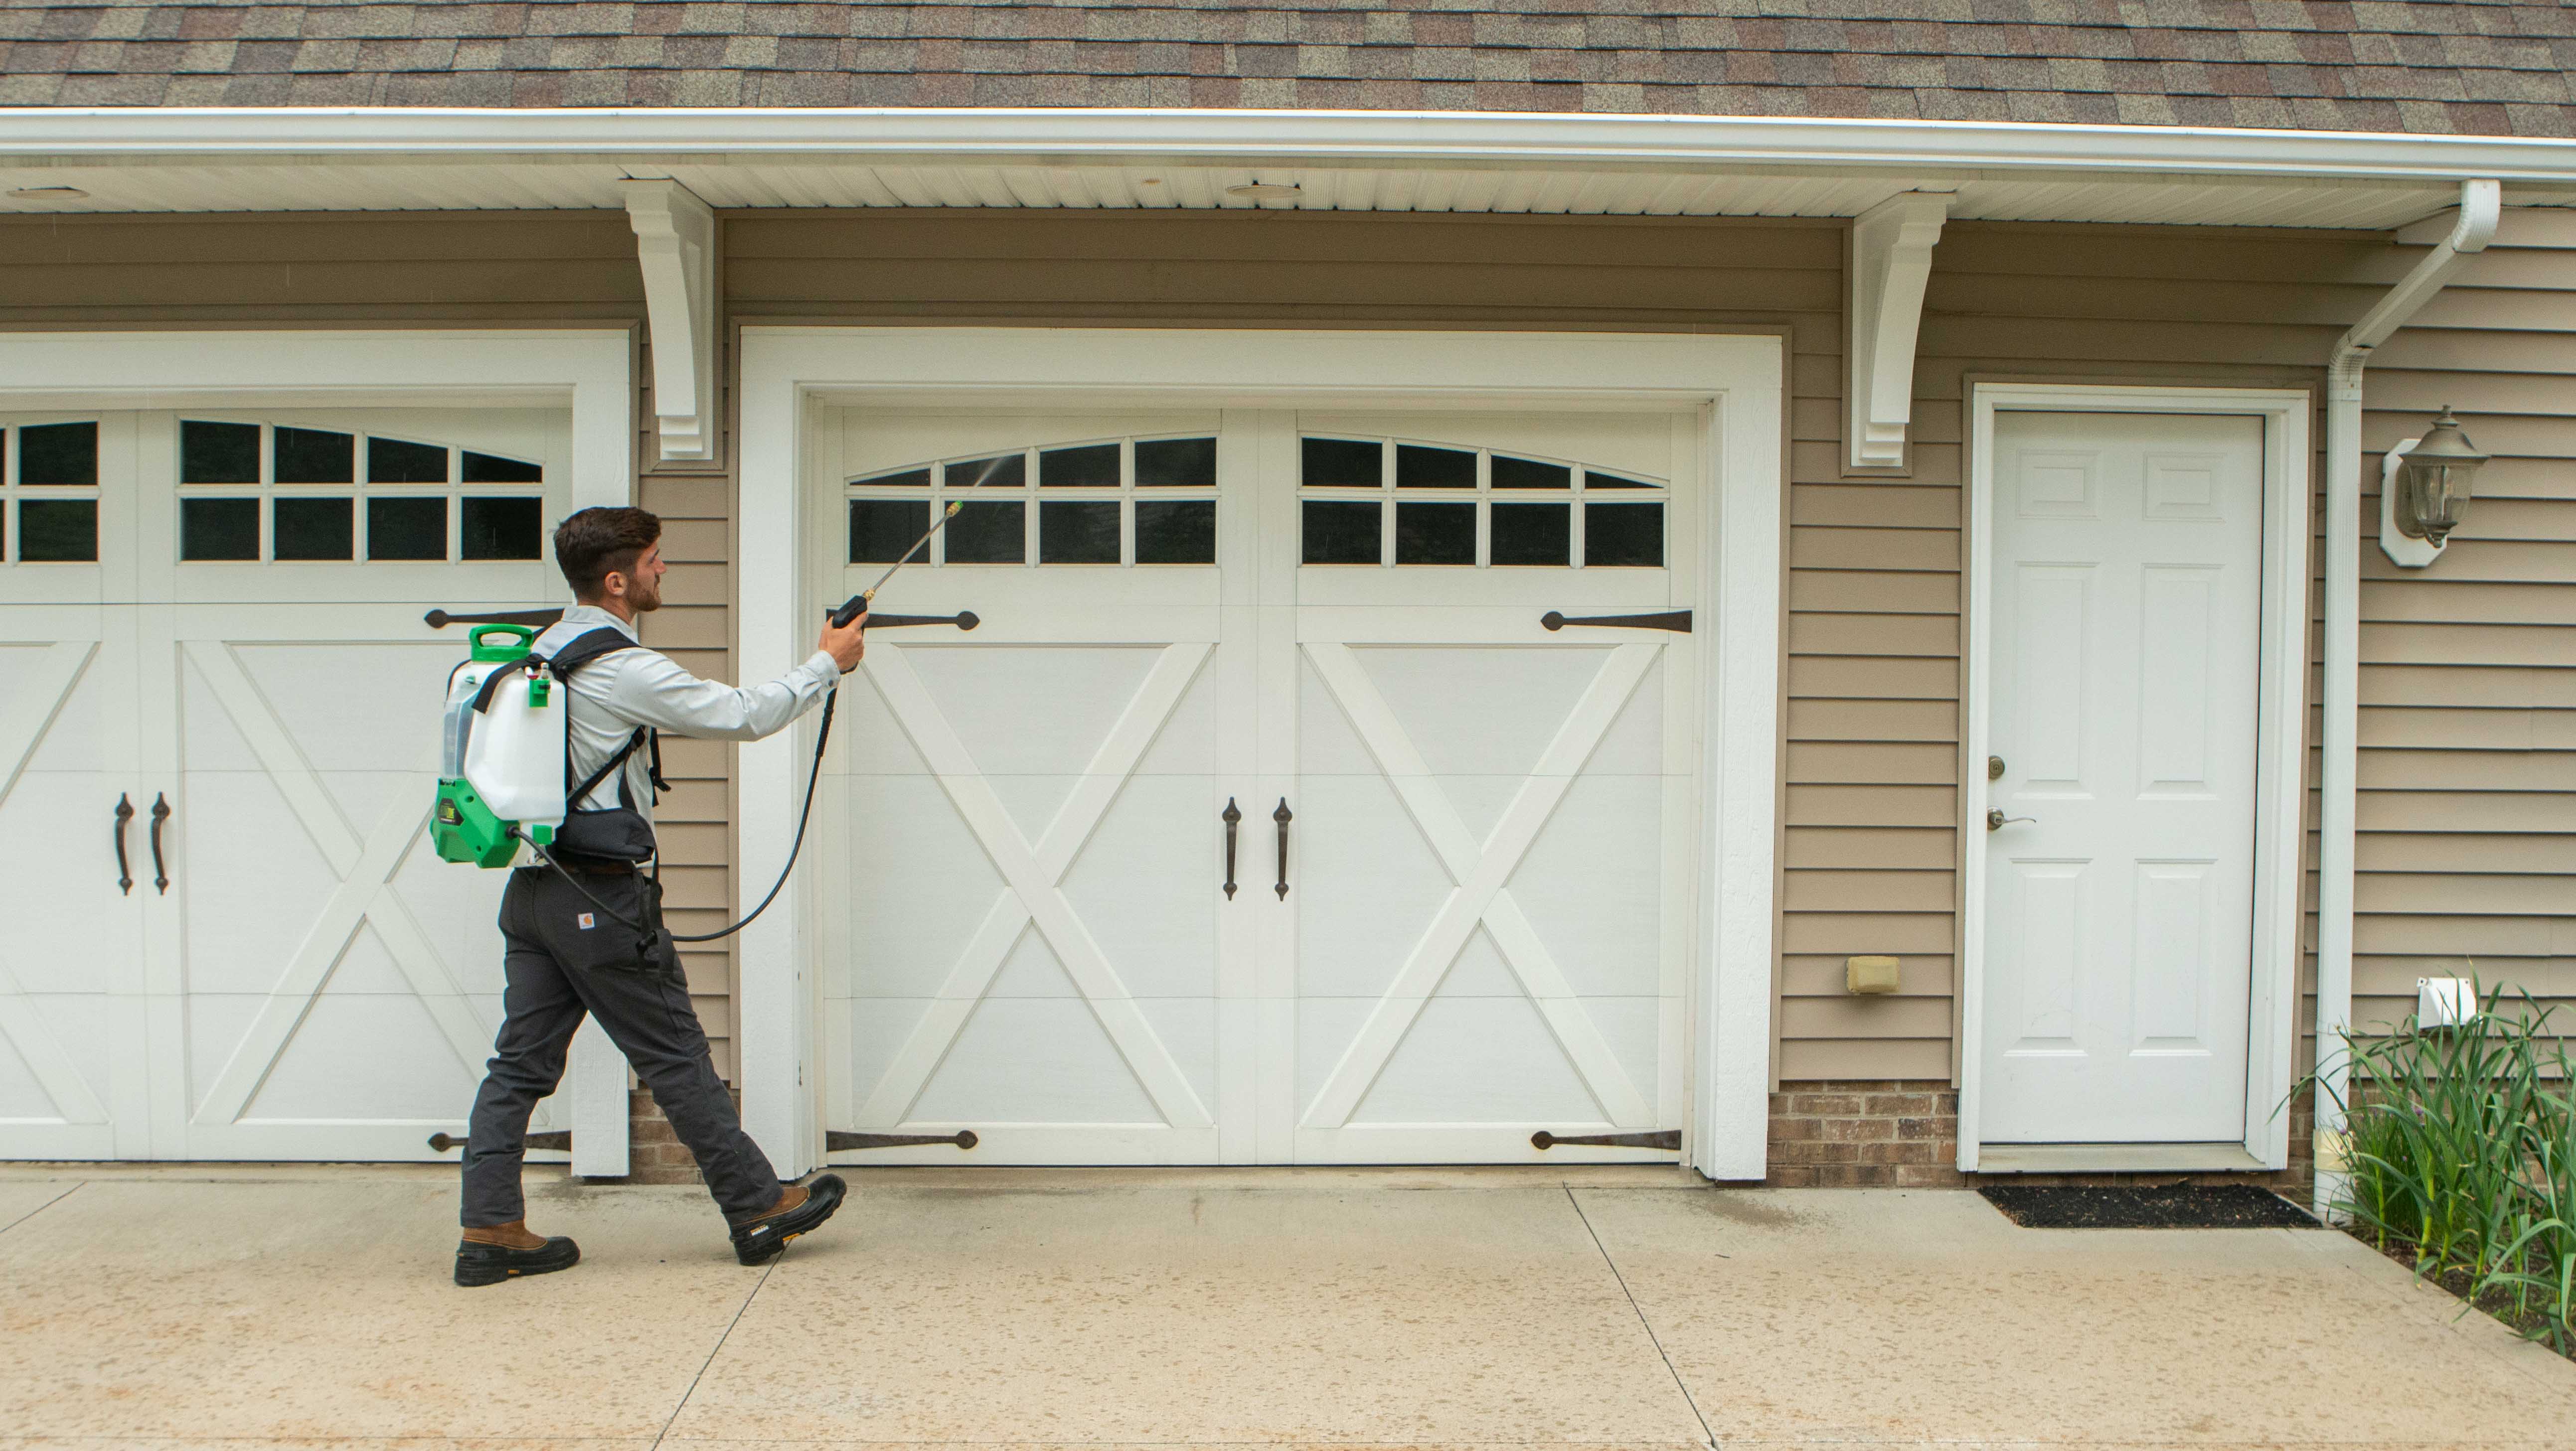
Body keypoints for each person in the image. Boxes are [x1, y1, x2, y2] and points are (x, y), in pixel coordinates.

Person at [453, 505, 868, 1288]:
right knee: (676, 1055)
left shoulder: (540, 648)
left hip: (536, 889)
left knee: (518, 1064)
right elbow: (743, 715)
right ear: (618, 580)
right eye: (653, 560)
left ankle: (490, 1228)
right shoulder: (619, 666)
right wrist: (827, 663)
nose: (663, 570)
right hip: (602, 899)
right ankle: (759, 1206)